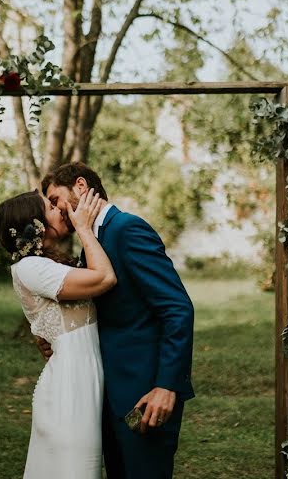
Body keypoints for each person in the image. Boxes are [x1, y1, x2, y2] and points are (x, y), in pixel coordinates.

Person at [40, 162, 195, 479]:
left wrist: (167, 386)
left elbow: (177, 308)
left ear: (80, 187)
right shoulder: (92, 242)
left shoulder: (126, 229)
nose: (55, 211)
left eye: (55, 200)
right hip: (109, 394)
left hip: (144, 394)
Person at [0, 188, 117, 479]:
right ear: (35, 224)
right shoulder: (31, 267)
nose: (59, 210)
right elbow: (104, 278)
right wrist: (84, 228)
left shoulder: (46, 263)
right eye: (49, 208)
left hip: (82, 381)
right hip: (69, 390)